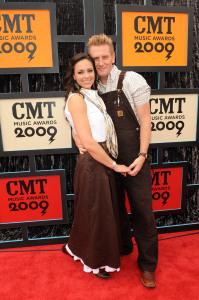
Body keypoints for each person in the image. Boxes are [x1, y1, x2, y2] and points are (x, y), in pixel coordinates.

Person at [86, 34, 158, 288]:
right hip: (108, 160)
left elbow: (146, 120)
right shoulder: (91, 87)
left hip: (134, 157)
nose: (101, 62)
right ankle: (122, 249)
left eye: (105, 57)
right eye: (96, 59)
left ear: (114, 56)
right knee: (113, 210)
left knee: (143, 213)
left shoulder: (132, 80)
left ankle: (148, 266)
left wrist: (142, 155)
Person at [62, 52, 130, 279]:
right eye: (80, 72)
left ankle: (74, 247)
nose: (86, 75)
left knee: (93, 212)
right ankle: (96, 261)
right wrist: (115, 165)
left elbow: (79, 127)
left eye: (89, 70)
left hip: (100, 155)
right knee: (97, 214)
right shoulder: (77, 98)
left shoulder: (93, 95)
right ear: (73, 75)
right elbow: (89, 141)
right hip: (95, 160)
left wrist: (75, 134)